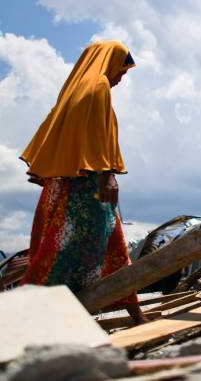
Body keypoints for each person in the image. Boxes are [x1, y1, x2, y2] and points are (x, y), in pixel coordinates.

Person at [19, 40, 146, 324]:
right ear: (108, 63)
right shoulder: (98, 86)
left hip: (62, 187)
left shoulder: (74, 89)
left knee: (95, 247)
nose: (120, 79)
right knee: (74, 253)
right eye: (121, 72)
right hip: (85, 190)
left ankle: (133, 313)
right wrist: (108, 176)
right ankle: (37, 315)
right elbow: (95, 138)